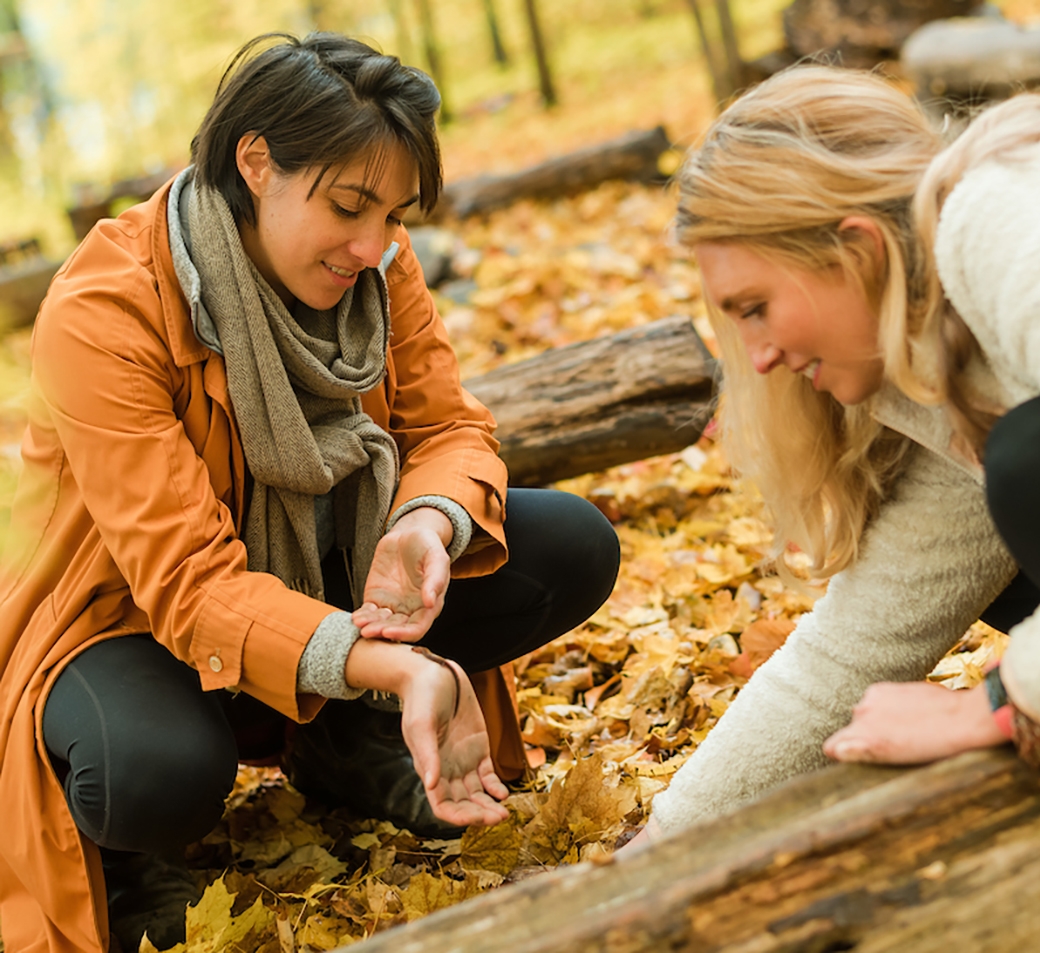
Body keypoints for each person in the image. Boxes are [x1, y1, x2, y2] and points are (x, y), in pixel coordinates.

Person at [0, 33, 620, 953]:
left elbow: (448, 428)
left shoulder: (380, 264)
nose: (373, 246)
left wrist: (423, 519)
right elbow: (186, 586)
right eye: (348, 206)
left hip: (329, 584)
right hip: (126, 620)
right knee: (154, 772)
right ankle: (133, 858)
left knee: (570, 546)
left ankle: (346, 745)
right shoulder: (106, 308)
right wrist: (403, 668)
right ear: (256, 161)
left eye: (395, 213)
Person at [625, 66, 1040, 848]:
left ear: (855, 247)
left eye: (757, 308)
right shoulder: (940, 381)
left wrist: (991, 703)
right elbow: (851, 655)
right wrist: (649, 854)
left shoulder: (1000, 220)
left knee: (1024, 466)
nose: (758, 357)